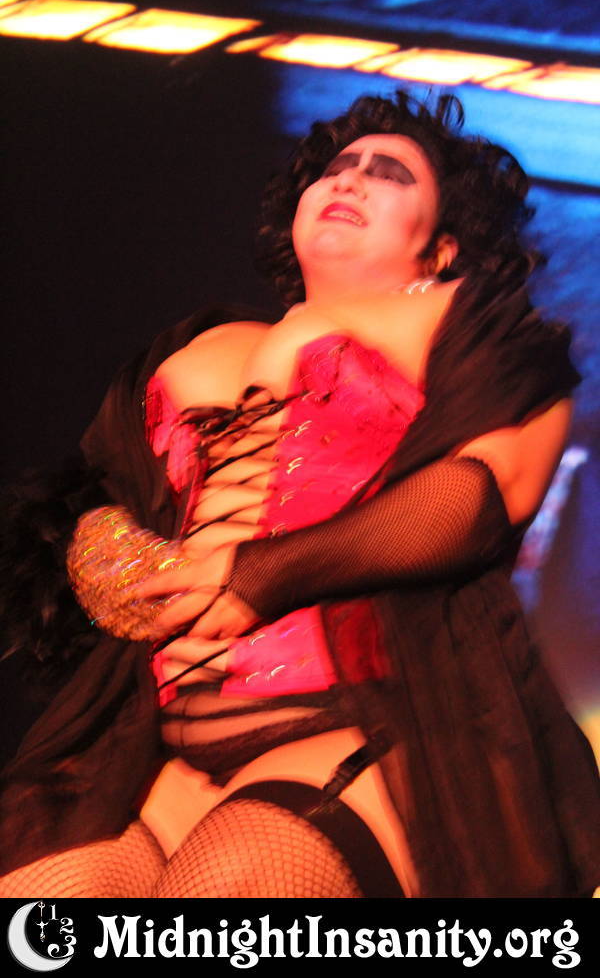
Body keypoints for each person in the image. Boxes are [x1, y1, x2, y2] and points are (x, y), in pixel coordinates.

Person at [1, 91, 598, 898]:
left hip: (353, 721)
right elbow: (90, 496)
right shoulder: (197, 342)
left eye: (389, 173)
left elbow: (478, 498)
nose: (348, 179)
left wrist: (258, 573)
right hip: (152, 742)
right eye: (337, 166)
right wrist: (109, 555)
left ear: (443, 246)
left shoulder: (476, 332)